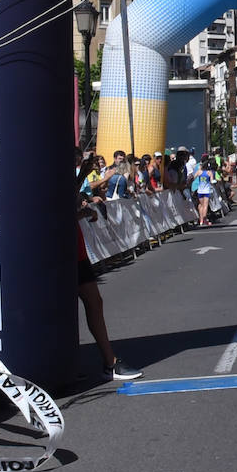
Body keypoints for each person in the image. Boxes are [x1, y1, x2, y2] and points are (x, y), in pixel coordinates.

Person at [74, 163, 142, 382]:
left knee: (95, 302)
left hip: (77, 251)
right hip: (58, 252)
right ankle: (65, 363)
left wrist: (83, 208)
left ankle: (110, 362)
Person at [192, 160, 215, 226]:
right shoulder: (209, 173)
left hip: (200, 190)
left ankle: (201, 220)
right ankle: (205, 219)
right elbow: (212, 181)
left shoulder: (199, 172)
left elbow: (193, 178)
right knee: (205, 205)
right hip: (206, 191)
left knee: (201, 205)